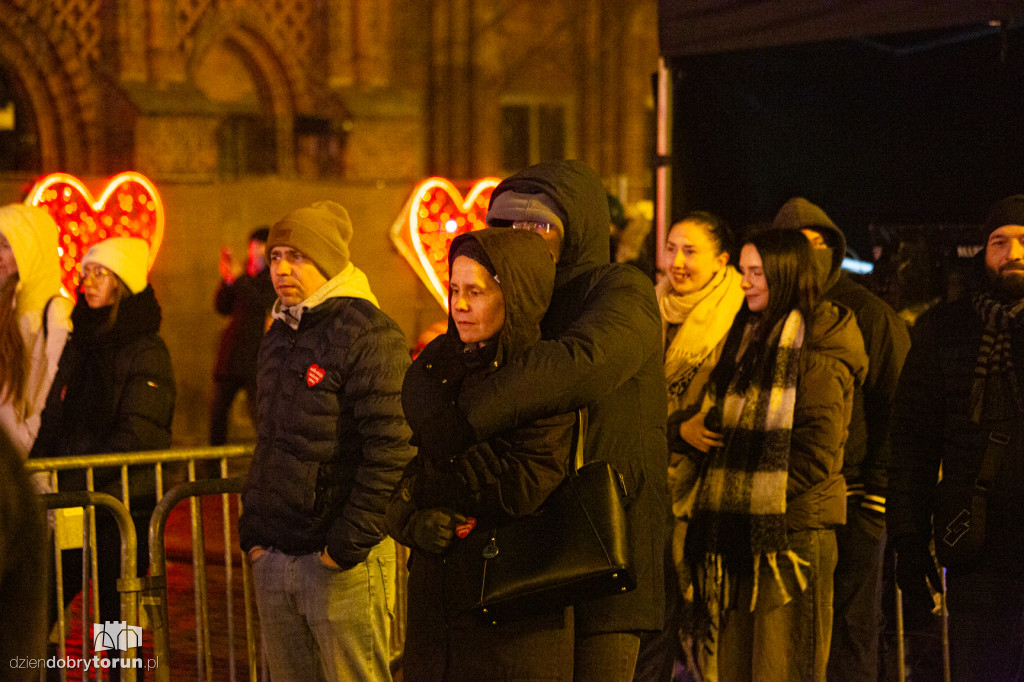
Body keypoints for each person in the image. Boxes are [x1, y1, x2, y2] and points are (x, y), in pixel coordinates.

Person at [420, 159, 668, 681]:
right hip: (522, 555)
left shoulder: (620, 290)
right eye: (504, 227)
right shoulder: (505, 302)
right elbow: (434, 379)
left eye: (538, 226)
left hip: (604, 547)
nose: (519, 238)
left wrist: (468, 416)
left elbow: (578, 365)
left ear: (575, 232)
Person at [238, 200, 415, 682]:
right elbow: (270, 439)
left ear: (328, 261)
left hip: (337, 564)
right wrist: (255, 533)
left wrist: (345, 546)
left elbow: (393, 447)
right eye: (275, 257)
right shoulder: (278, 331)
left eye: (297, 256)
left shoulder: (369, 333)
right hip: (276, 554)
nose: (282, 269)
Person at [388, 229, 576, 681]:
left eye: (477, 291)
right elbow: (412, 471)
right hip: (439, 615)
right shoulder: (440, 368)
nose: (460, 304)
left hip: (513, 613)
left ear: (515, 295)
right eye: (455, 289)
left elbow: (524, 486)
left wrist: (429, 490)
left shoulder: (541, 376)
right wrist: (409, 520)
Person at [685, 229, 867, 682]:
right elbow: (720, 420)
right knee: (738, 668)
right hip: (742, 535)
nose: (744, 283)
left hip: (791, 537)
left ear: (785, 275)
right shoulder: (747, 336)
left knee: (783, 667)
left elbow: (815, 451)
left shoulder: (818, 345)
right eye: (742, 272)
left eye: (756, 273)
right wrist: (687, 428)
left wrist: (754, 492)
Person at [770, 197, 911, 682]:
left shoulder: (868, 314)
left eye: (818, 244)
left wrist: (877, 493)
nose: (809, 255)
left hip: (853, 498)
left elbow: (901, 407)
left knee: (850, 633)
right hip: (781, 500)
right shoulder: (763, 313)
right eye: (794, 245)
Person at [889, 194, 1024, 681]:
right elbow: (912, 442)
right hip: (978, 554)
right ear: (983, 252)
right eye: (1000, 241)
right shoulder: (945, 330)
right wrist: (908, 538)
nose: (1013, 251)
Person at [31, 236, 175, 627]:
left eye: (100, 273)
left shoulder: (146, 350)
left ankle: (121, 676)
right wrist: (35, 468)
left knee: (117, 621)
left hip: (122, 507)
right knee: (40, 607)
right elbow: (54, 413)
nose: (89, 282)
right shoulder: (81, 343)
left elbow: (138, 433)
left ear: (123, 283)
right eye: (85, 273)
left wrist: (74, 477)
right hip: (74, 502)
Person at [636, 212, 744, 681]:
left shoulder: (739, 313)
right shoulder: (647, 309)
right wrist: (676, 427)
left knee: (706, 616)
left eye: (690, 251)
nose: (677, 262)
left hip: (707, 488)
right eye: (672, 249)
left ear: (722, 261)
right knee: (655, 614)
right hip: (650, 478)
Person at [0, 204, 72, 462]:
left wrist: (21, 445)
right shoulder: (6, 308)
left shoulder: (56, 314)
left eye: (8, 245)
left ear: (30, 249)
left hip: (32, 468)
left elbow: (48, 399)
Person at [209, 226, 276, 446]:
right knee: (218, 412)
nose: (254, 253)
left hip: (257, 358)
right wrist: (227, 280)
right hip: (232, 357)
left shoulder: (274, 278)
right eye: (252, 247)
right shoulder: (245, 278)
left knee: (259, 412)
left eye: (260, 248)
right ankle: (213, 466)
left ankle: (268, 459)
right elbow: (222, 307)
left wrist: (237, 280)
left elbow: (261, 302)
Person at [0, 428, 48, 682]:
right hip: (89, 507)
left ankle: (130, 669)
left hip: (127, 510)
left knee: (118, 613)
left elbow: (135, 439)